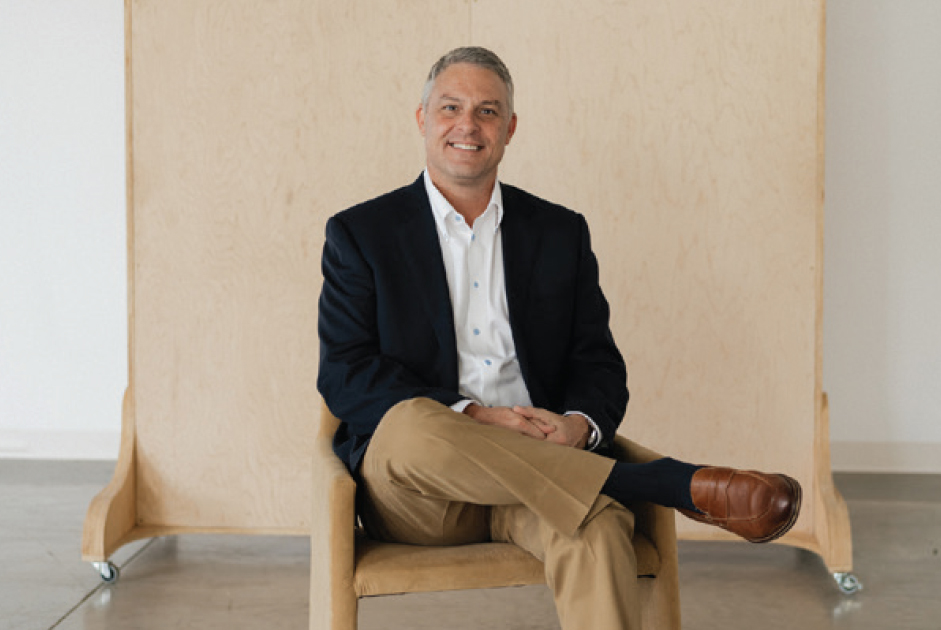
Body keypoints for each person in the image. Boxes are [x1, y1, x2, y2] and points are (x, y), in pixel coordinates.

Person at [317, 46, 801, 630]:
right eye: (450, 107)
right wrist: (477, 416)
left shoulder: (559, 232)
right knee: (412, 423)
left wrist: (578, 426)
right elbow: (344, 376)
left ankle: (622, 483)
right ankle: (663, 482)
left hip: (545, 483)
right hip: (422, 495)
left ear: (510, 129)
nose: (468, 125)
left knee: (598, 525)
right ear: (422, 119)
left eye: (488, 111)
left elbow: (598, 364)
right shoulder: (361, 234)